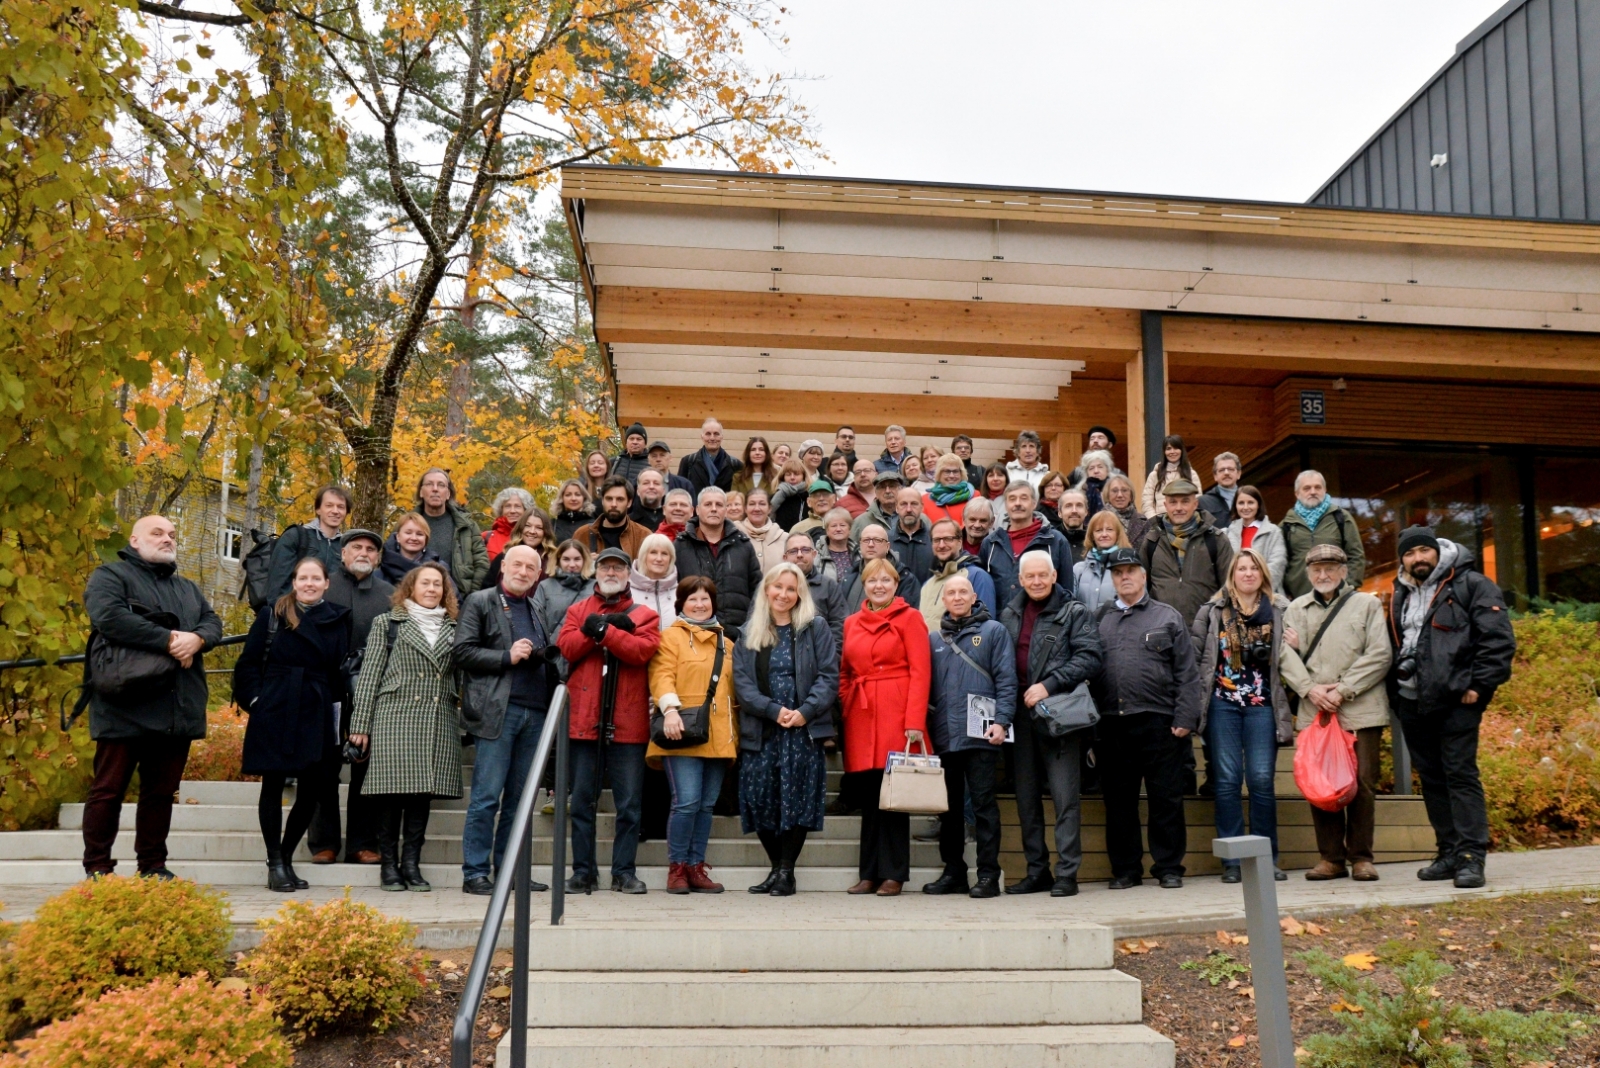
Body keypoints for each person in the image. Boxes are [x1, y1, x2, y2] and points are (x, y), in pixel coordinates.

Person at [80, 515, 222, 880]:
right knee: (108, 790)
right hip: (124, 700)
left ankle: (153, 866)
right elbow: (108, 617)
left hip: (176, 705)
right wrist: (171, 640)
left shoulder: (188, 588)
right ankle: (98, 867)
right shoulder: (110, 577)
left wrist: (199, 638)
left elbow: (212, 622)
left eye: (172, 535)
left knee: (160, 792)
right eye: (157, 533)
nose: (167, 539)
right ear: (135, 540)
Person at [1386, 526, 1515, 890]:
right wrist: (1396, 696)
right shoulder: (1401, 592)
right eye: (1409, 554)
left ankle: (1472, 857)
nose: (1417, 559)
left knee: (1460, 776)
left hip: (1457, 700)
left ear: (1438, 551)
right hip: (1412, 700)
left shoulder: (1472, 584)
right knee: (1432, 779)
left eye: (1423, 551)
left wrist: (1480, 686)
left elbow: (1498, 640)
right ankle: (1448, 853)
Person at [234, 557, 350, 892]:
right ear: (294, 581)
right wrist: (257, 701)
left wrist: (339, 719)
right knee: (271, 785)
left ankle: (285, 857)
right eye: (303, 578)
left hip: (317, 708)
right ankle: (275, 861)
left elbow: (338, 672)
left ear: (327, 583)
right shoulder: (272, 614)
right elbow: (249, 664)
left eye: (316, 578)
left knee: (312, 791)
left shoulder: (338, 618)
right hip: (277, 707)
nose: (310, 584)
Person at [1279, 544, 1392, 882]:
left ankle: (1361, 858)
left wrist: (1342, 690)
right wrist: (1310, 690)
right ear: (1308, 573)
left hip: (1361, 709)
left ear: (1344, 571)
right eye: (1316, 569)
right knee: (1320, 783)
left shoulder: (1367, 605)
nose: (1323, 575)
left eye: (1330, 568)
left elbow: (1380, 654)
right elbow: (1284, 656)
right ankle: (1330, 858)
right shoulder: (1296, 609)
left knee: (1361, 784)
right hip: (1316, 712)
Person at [346, 563, 460, 892]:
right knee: (391, 794)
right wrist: (360, 725)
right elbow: (369, 677)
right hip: (395, 717)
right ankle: (389, 865)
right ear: (410, 588)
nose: (431, 589)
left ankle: (411, 864)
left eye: (438, 585)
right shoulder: (388, 623)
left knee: (421, 795)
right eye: (425, 583)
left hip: (437, 718)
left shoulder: (454, 627)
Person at [455, 546, 562, 895]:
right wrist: (506, 655)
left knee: (519, 801)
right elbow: (462, 652)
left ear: (537, 574)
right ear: (503, 567)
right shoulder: (481, 600)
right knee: (487, 797)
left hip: (535, 713)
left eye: (532, 567)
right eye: (518, 564)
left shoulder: (535, 606)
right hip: (498, 712)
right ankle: (475, 873)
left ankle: (510, 871)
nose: (524, 571)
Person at [1092, 548, 1201, 889]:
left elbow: (1187, 672)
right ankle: (1126, 871)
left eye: (1131, 570)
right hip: (1112, 724)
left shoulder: (1167, 617)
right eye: (1118, 572)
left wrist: (1185, 717)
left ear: (1143, 576)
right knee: (1119, 802)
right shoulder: (1100, 619)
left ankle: (1168, 867)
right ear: (1112, 579)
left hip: (1160, 723)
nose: (1125, 577)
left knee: (1165, 799)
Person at [557, 547, 663, 894]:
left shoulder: (645, 614)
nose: (612, 572)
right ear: (596, 571)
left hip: (628, 722)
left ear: (628, 573)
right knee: (582, 802)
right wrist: (598, 630)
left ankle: (624, 872)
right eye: (606, 567)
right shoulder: (577, 609)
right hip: (584, 720)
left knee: (630, 805)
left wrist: (604, 632)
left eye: (618, 567)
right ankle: (583, 871)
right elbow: (568, 647)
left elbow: (641, 651)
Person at [1000, 551, 1102, 897]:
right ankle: (1037, 871)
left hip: (1060, 717)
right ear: (1021, 579)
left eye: (1043, 575)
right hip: (1020, 719)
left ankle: (1067, 874)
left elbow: (1090, 657)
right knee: (1026, 801)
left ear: (1055, 574)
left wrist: (1050, 684)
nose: (1037, 581)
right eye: (1031, 576)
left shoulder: (1074, 612)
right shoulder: (1010, 613)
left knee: (1064, 799)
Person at [733, 563, 839, 895]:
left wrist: (806, 711)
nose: (783, 594)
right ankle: (777, 867)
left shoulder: (814, 627)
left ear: (799, 594)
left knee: (797, 799)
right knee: (759, 797)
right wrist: (772, 710)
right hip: (763, 728)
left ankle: (786, 872)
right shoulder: (749, 631)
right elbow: (743, 683)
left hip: (802, 728)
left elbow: (828, 676)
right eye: (778, 587)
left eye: (791, 589)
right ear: (766, 590)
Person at [1191, 548, 1291, 883]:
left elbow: (1291, 656)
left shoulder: (1279, 610)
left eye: (1254, 568)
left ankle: (1266, 859)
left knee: (1261, 780)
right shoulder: (1213, 611)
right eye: (1241, 568)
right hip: (1223, 704)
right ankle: (1233, 862)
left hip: (1263, 704)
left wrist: (1297, 642)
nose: (1247, 574)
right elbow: (1195, 658)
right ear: (1232, 574)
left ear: (1263, 573)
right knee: (1228, 782)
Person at [839, 558, 932, 896]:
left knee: (894, 797)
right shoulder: (851, 622)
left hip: (896, 712)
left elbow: (921, 672)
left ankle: (893, 873)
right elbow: (845, 671)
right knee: (868, 796)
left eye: (885, 580)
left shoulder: (911, 619)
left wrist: (914, 722)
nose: (878, 586)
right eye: (872, 580)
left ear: (896, 584)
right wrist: (848, 699)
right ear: (864, 585)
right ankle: (869, 873)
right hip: (862, 716)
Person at [924, 574, 1015, 897]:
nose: (958, 597)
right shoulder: (933, 640)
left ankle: (989, 874)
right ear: (943, 600)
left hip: (982, 735)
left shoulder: (994, 632)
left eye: (964, 592)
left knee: (983, 806)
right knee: (947, 810)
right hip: (945, 735)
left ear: (974, 597)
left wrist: (1002, 721)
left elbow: (1007, 680)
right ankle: (954, 872)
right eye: (951, 593)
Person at [648, 576, 740, 894]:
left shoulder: (727, 644)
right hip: (681, 731)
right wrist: (669, 709)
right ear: (681, 604)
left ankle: (695, 867)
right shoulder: (670, 637)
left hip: (718, 734)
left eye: (705, 599)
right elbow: (661, 674)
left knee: (705, 805)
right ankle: (677, 868)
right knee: (686, 802)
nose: (700, 604)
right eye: (693, 599)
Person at [309, 528, 394, 866]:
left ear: (378, 557)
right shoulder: (323, 586)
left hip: (370, 691)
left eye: (371, 549)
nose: (363, 553)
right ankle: (324, 842)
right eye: (356, 547)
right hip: (326, 690)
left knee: (366, 767)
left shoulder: (390, 594)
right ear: (342, 553)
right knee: (323, 766)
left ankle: (362, 842)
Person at [1138, 478, 1234, 635]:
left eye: (1185, 502)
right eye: (1173, 502)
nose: (1179, 507)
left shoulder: (1216, 540)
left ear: (1195, 504)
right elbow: (1141, 588)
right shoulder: (1151, 541)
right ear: (1166, 505)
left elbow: (1229, 588)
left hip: (1206, 632)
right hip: (1161, 633)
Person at [674, 487, 765, 630]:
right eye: (708, 504)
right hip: (692, 633)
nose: (714, 509)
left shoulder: (743, 545)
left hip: (738, 634)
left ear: (726, 510)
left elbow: (757, 591)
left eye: (719, 505)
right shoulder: (680, 546)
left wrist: (749, 627)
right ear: (697, 510)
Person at [979, 480, 1075, 611]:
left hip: (1046, 626)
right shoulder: (991, 543)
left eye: (1024, 498)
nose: (1017, 503)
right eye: (1012, 499)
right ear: (1006, 505)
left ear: (1034, 503)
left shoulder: (1055, 540)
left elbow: (1067, 591)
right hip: (1001, 626)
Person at [1280, 470, 1367, 599]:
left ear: (1325, 490)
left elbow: (1356, 556)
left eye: (1317, 487)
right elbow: (1281, 565)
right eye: (1307, 488)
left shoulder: (1341, 518)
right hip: (1300, 601)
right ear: (1297, 493)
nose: (1313, 491)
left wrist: (1348, 587)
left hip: (1339, 600)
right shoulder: (1286, 525)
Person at [265, 484, 350, 600]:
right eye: (329, 505)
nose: (335, 511)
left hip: (330, 616)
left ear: (346, 512)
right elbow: (277, 586)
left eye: (340, 507)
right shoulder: (296, 537)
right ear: (318, 509)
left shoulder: (346, 547)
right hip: (293, 614)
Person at [415, 467, 490, 595]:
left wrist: (470, 598)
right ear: (421, 492)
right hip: (415, 601)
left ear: (448, 493)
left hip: (458, 601)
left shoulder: (467, 526)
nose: (435, 489)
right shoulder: (407, 525)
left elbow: (481, 564)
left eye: (441, 485)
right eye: (429, 484)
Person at [920, 518, 997, 628]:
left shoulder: (977, 576)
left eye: (947, 539)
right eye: (936, 540)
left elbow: (986, 629)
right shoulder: (928, 584)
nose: (941, 545)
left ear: (960, 542)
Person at [784, 531, 847, 656]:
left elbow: (839, 627)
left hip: (819, 661)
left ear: (814, 554)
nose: (800, 555)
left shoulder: (829, 586)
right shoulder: (771, 586)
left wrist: (829, 660)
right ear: (785, 557)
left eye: (805, 550)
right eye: (793, 551)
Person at [530, 540, 594, 648]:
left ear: (584, 560)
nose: (572, 564)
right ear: (558, 560)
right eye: (566, 559)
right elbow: (535, 621)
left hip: (585, 649)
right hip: (553, 650)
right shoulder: (546, 586)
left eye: (577, 559)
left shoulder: (595, 587)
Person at [844, 524, 920, 612]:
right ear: (860, 545)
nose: (871, 544)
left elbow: (906, 617)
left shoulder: (904, 578)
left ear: (887, 546)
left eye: (877, 540)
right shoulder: (850, 576)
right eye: (866, 540)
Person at [573, 475, 652, 559]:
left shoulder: (643, 536)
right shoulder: (582, 534)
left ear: (629, 502)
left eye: (620, 499)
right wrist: (586, 564)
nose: (614, 504)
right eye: (609, 499)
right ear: (602, 501)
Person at [1224, 485, 1286, 592]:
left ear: (1258, 505)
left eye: (1251, 502)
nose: (1246, 507)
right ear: (1235, 506)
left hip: (1267, 596)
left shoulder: (1273, 532)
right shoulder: (1227, 533)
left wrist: (1257, 591)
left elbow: (1277, 564)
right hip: (1235, 596)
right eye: (1241, 503)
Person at [381, 512, 457, 595]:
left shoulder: (439, 569)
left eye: (419, 534)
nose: (414, 538)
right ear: (398, 537)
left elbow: (454, 600)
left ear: (426, 539)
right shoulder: (383, 568)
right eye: (408, 533)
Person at [483, 508, 556, 591]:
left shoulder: (553, 563)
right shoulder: (503, 557)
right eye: (527, 526)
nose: (532, 531)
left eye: (539, 528)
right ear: (521, 528)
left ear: (546, 532)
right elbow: (486, 589)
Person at [1073, 511, 1129, 617]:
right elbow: (1070, 606)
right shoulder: (1078, 570)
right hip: (1084, 631)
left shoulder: (1130, 568)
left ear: (1117, 534)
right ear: (1092, 535)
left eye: (1109, 530)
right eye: (1098, 530)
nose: (1104, 534)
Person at [1141, 435, 1203, 518]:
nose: (1172, 451)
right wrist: (1156, 522)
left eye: (1176, 448)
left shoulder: (1191, 474)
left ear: (1182, 450)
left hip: (1186, 523)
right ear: (1164, 452)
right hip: (1161, 526)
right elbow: (1146, 503)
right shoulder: (1154, 475)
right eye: (1168, 448)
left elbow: (1198, 501)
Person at [678, 417, 743, 495]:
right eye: (708, 434)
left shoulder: (735, 465)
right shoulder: (688, 462)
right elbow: (680, 493)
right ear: (702, 437)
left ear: (722, 437)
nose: (712, 438)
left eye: (716, 434)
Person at [628, 533, 680, 629]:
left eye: (664, 553)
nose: (659, 559)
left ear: (671, 559)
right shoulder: (626, 592)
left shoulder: (682, 592)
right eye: (653, 552)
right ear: (644, 556)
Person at [736, 488, 788, 574]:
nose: (757, 508)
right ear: (745, 508)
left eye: (762, 504)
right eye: (752, 504)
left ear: (769, 508)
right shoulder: (733, 534)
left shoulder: (785, 538)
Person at [889, 485, 934, 583]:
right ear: (896, 508)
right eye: (903, 504)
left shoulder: (935, 540)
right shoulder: (886, 541)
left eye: (914, 504)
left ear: (922, 507)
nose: (909, 509)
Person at [850, 469, 905, 543]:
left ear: (901, 489)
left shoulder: (913, 517)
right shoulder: (860, 522)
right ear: (875, 492)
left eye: (892, 486)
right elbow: (853, 550)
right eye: (882, 487)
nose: (887, 491)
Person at [922, 453, 975, 527]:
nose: (951, 476)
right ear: (939, 474)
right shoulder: (925, 500)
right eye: (947, 471)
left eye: (955, 471)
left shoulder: (974, 496)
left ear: (961, 473)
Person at [483, 488, 533, 562]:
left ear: (526, 510)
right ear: (501, 509)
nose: (512, 511)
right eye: (508, 506)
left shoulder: (533, 536)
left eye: (517, 506)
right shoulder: (486, 537)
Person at [817, 507, 857, 590]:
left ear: (849, 529)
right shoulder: (817, 555)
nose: (838, 529)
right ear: (827, 530)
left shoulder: (859, 554)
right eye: (833, 526)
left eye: (842, 525)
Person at [1103, 473, 1148, 546]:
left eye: (1124, 490)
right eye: (1114, 491)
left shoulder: (1144, 522)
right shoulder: (1099, 520)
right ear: (1107, 495)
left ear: (1131, 495)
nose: (1120, 495)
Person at [1199, 453, 1242, 528]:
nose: (1226, 473)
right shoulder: (1202, 503)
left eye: (1230, 469)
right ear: (1215, 476)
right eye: (1221, 470)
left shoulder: (1250, 499)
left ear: (1238, 473)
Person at [770, 459, 812, 531]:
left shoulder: (810, 496)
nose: (792, 477)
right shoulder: (774, 496)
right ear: (783, 477)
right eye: (788, 474)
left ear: (803, 476)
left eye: (796, 474)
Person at [1073, 451, 1114, 518]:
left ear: (1107, 469)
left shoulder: (1117, 489)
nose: (1096, 471)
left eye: (1100, 467)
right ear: (1087, 472)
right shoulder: (1080, 491)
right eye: (1091, 468)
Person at [1057, 487, 1090, 555]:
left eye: (1079, 505)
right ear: (1060, 512)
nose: (1074, 510)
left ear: (1086, 511)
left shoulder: (1095, 540)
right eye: (1068, 506)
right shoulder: (1051, 540)